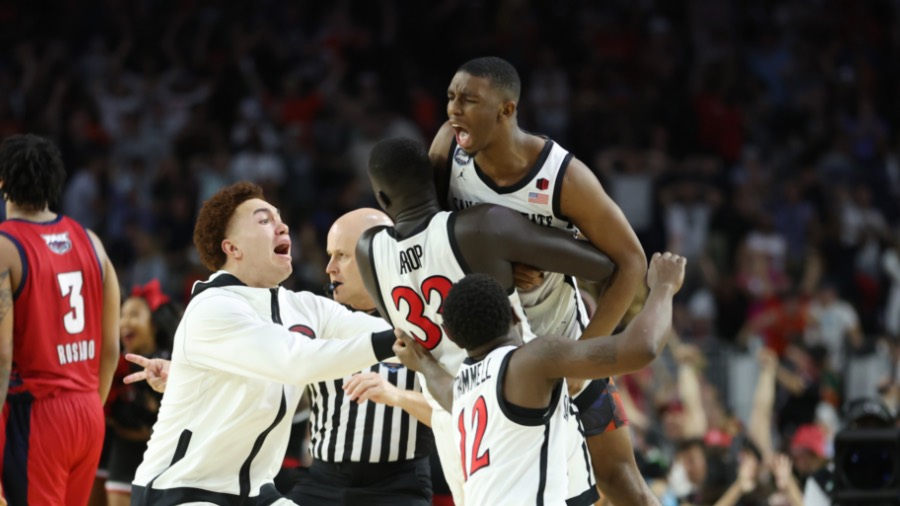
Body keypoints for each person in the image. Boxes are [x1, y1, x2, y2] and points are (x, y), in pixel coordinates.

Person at [430, 56, 652, 504]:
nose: (454, 110)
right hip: (489, 357)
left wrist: (586, 355)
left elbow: (632, 262)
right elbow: (431, 230)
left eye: (469, 100)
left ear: (506, 110)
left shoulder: (561, 176)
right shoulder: (447, 149)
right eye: (451, 97)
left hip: (557, 340)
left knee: (622, 483)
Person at [355, 137, 617, 504]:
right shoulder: (480, 227)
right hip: (520, 396)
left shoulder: (368, 251)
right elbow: (603, 263)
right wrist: (527, 256)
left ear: (382, 200)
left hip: (457, 423)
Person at [130, 182, 397, 504]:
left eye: (280, 218)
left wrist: (433, 329)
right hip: (181, 488)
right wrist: (398, 340)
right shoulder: (212, 307)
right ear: (233, 248)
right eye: (264, 220)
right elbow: (297, 362)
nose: (283, 226)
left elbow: (390, 333)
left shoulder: (306, 307)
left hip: (255, 491)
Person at [392, 252, 684, 505]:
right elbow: (641, 348)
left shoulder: (464, 389)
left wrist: (424, 364)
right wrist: (664, 287)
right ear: (514, 314)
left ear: (454, 338)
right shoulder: (533, 360)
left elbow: (442, 388)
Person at [0, 134, 120, 506]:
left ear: (3, 183)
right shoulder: (93, 242)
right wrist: (88, 407)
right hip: (87, 409)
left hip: (37, 412)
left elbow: (2, 356)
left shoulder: (5, 246)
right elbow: (111, 347)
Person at [287, 208, 434, 506]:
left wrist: (396, 396)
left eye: (342, 255)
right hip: (322, 480)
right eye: (330, 255)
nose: (329, 267)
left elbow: (457, 413)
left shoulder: (425, 319)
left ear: (377, 255)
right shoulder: (315, 315)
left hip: (397, 486)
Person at [104, 279, 180, 506]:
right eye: (122, 315)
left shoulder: (175, 363)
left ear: (154, 324)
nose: (125, 321)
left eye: (134, 315)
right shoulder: (112, 363)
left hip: (166, 458)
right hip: (123, 454)